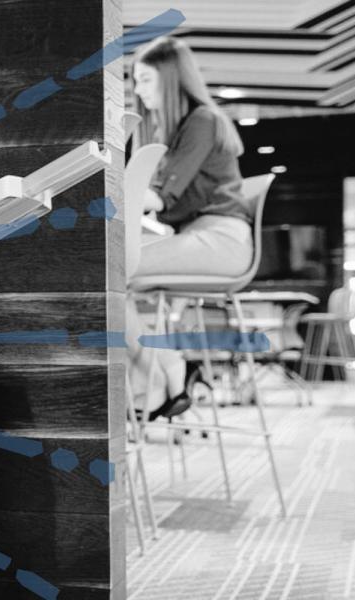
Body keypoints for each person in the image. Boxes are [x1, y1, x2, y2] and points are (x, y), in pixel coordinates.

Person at [126, 37, 251, 415]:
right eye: (136, 80)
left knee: (104, 274)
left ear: (169, 78)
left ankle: (159, 379)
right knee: (111, 279)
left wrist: (115, 190)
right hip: (202, 237)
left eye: (145, 79)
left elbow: (161, 198)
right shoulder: (182, 128)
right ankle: (164, 375)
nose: (138, 89)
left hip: (222, 240)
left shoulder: (203, 120)